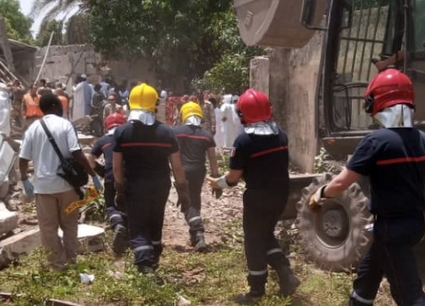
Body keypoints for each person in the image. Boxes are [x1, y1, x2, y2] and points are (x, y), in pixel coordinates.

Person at [308, 68, 425, 306]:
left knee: (409, 294)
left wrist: (320, 194)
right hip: (412, 224)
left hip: (391, 228)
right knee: (368, 275)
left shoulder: (375, 142)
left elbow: (342, 182)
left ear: (377, 104)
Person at [207, 89, 300, 303]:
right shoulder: (280, 135)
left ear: (242, 115)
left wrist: (218, 182)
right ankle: (286, 274)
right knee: (265, 235)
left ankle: (256, 291)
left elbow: (233, 178)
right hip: (280, 195)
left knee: (254, 242)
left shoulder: (244, 142)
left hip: (258, 198)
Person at [112, 83, 191, 274]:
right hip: (160, 185)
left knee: (138, 225)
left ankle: (144, 262)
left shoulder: (121, 132)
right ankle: (154, 255)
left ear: (131, 104)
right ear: (154, 105)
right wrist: (183, 191)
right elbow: (177, 166)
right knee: (156, 220)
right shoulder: (167, 133)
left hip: (135, 185)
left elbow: (116, 166)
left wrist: (119, 189)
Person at [18, 93, 102, 270]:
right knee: (69, 224)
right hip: (67, 187)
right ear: (57, 106)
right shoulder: (65, 125)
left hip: (43, 187)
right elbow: (77, 152)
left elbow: (23, 158)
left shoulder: (33, 128)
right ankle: (71, 260)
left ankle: (57, 264)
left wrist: (25, 179)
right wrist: (93, 175)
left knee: (48, 228)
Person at [173, 101, 220, 251]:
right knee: (195, 198)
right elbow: (213, 159)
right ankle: (194, 235)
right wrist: (216, 180)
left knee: (186, 201)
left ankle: (198, 231)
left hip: (182, 171)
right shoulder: (206, 135)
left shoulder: (176, 132)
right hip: (199, 171)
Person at [89, 112, 129, 255]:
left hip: (111, 175)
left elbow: (91, 160)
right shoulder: (128, 138)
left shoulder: (103, 140)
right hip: (128, 175)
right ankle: (128, 231)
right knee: (127, 202)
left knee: (110, 204)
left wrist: (101, 172)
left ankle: (118, 224)